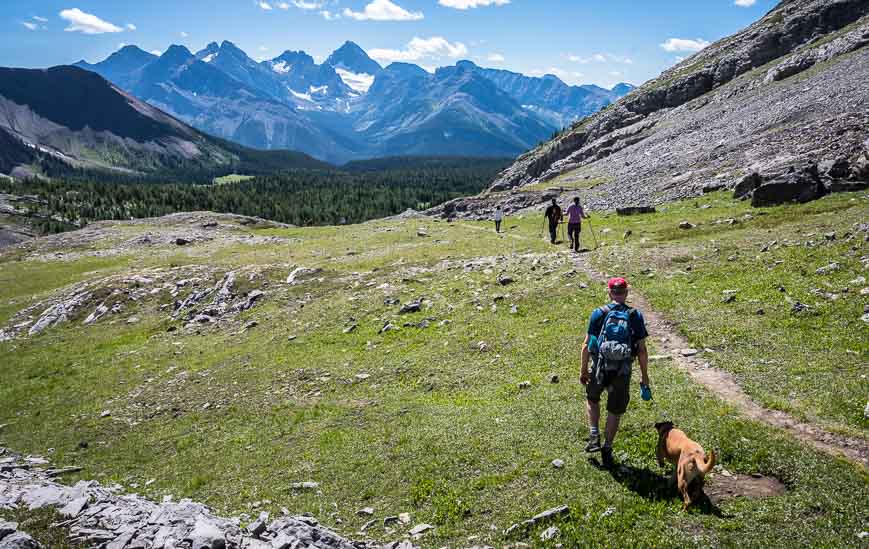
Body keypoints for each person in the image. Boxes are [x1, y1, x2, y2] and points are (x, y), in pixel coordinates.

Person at [580, 277, 651, 468]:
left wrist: (584, 370)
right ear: (626, 293)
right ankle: (608, 447)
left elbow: (586, 345)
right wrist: (644, 377)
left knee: (592, 399)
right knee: (615, 410)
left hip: (600, 367)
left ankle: (594, 434)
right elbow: (642, 350)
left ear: (610, 292)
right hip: (623, 370)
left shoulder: (598, 313)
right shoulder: (634, 315)